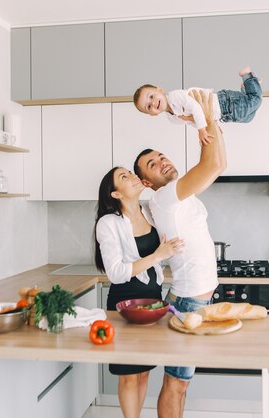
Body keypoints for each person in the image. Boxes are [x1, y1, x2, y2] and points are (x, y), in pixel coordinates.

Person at [133, 90, 226, 418]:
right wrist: (206, 117)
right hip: (189, 301)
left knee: (180, 381)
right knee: (177, 381)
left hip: (194, 299)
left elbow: (220, 163)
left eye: (161, 155)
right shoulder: (165, 197)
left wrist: (208, 119)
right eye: (153, 164)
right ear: (146, 181)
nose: (163, 161)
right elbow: (214, 163)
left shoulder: (174, 195)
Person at [94, 166, 185, 418]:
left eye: (131, 173)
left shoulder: (150, 212)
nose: (132, 177)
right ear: (115, 194)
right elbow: (115, 273)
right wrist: (158, 254)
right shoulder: (108, 223)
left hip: (152, 302)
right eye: (124, 177)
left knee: (143, 370)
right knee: (128, 376)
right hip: (125, 304)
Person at [133, 66, 262, 145]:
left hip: (224, 103)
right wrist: (213, 124)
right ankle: (245, 90)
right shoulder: (172, 119)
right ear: (152, 115)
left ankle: (247, 76)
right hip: (222, 115)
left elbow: (196, 108)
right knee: (249, 117)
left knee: (256, 100)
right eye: (149, 107)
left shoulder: (175, 96)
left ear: (160, 90)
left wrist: (202, 130)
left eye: (151, 96)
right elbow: (192, 121)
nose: (153, 103)